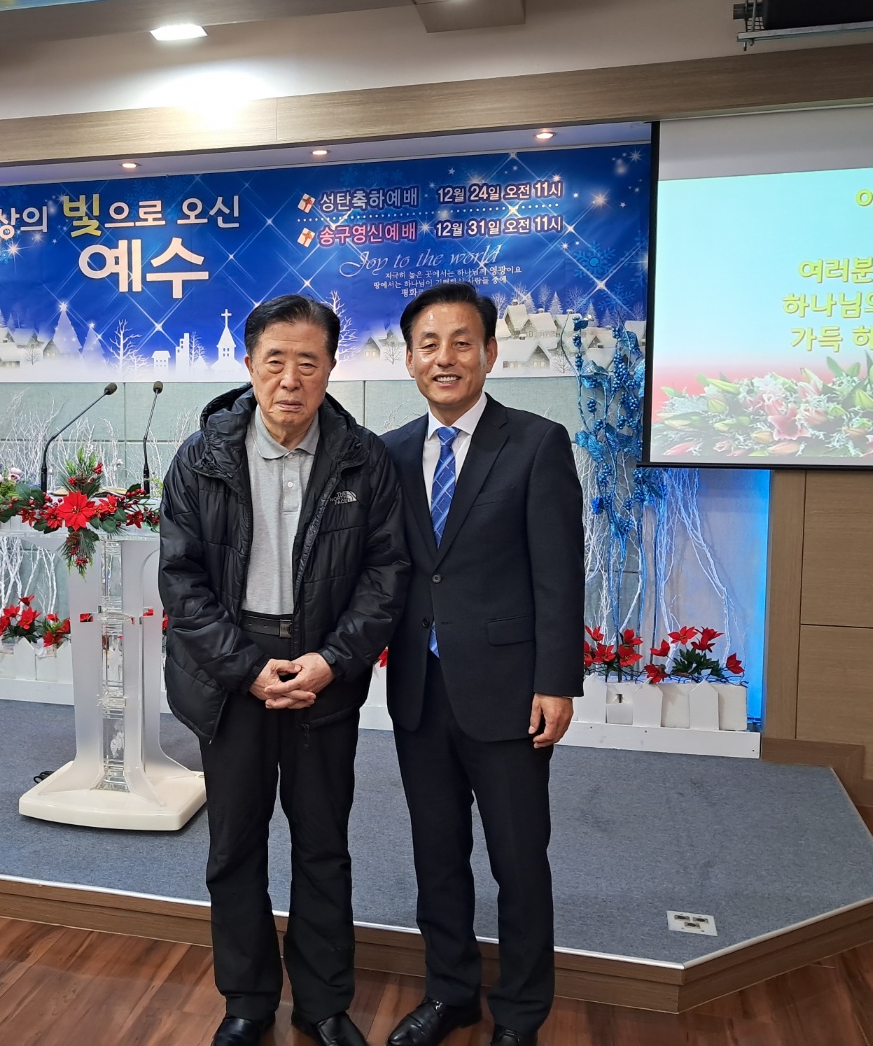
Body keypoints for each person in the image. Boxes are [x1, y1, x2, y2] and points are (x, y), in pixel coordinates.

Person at [159, 294, 409, 1046]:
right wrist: (247, 669)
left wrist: (331, 662)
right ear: (249, 364)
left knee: (323, 844)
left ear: (331, 367)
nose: (291, 379)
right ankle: (246, 1000)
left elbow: (386, 575)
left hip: (321, 674)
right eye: (275, 360)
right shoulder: (200, 458)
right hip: (232, 677)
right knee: (234, 846)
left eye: (309, 361)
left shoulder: (365, 459)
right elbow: (181, 583)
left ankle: (324, 1003)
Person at [379, 282, 584, 1046]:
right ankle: (451, 991)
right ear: (409, 360)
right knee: (437, 854)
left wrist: (556, 680)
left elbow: (560, 574)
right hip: (419, 689)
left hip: (509, 692)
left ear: (491, 352)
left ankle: (522, 1012)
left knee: (518, 860)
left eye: (461, 342)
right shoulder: (392, 451)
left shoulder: (535, 443)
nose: (445, 357)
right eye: (428, 344)